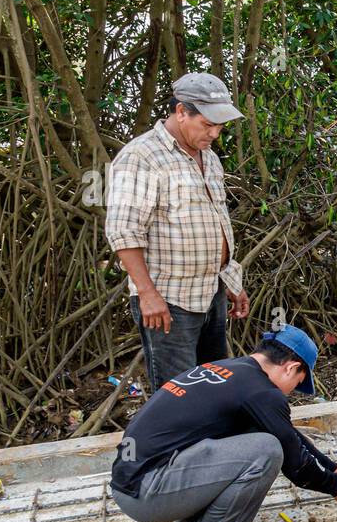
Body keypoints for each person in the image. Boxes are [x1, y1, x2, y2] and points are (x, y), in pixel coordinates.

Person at [110, 326, 337, 522]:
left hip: (134, 483)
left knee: (251, 441)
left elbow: (288, 434)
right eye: (297, 383)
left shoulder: (233, 372)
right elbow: (296, 465)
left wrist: (331, 467)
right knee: (266, 450)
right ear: (290, 367)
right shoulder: (262, 393)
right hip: (148, 494)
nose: (291, 392)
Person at [105, 73, 251, 395]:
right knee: (179, 396)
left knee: (214, 386)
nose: (214, 133)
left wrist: (231, 281)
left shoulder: (209, 158)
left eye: (220, 126)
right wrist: (147, 294)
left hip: (211, 291)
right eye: (207, 124)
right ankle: (177, 447)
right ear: (182, 111)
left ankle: (212, 446)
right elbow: (123, 230)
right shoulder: (141, 157)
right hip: (169, 301)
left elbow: (217, 220)